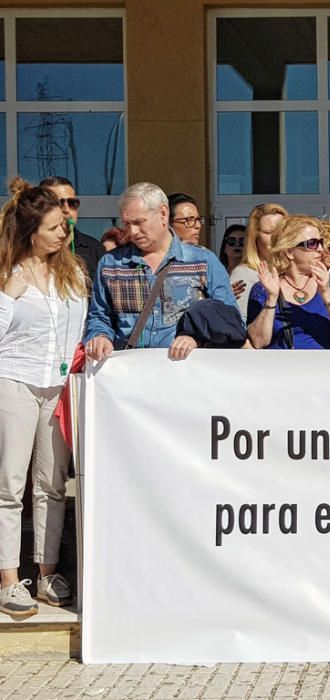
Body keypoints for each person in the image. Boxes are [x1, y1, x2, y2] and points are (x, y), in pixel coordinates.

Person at [0, 178, 88, 618]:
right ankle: (9, 578)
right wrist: (6, 298)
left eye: (65, 226)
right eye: (54, 226)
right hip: (14, 381)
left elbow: (80, 330)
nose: (63, 233)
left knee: (52, 484)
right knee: (11, 485)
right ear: (31, 230)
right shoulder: (8, 274)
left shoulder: (71, 272)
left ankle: (47, 572)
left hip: (57, 387)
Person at [84, 182, 239, 361]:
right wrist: (101, 337)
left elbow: (230, 321)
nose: (133, 231)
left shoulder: (203, 261)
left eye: (139, 222)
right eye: (127, 224)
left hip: (185, 372)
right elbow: (99, 316)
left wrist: (196, 338)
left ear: (163, 214)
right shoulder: (111, 264)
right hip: (128, 374)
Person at [247, 215, 330, 350]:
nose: (321, 249)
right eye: (312, 243)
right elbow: (258, 341)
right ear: (289, 252)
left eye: (321, 242)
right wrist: (272, 298)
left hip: (324, 367)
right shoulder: (263, 288)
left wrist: (326, 292)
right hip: (280, 368)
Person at [230, 203, 287, 323]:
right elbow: (240, 325)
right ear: (255, 236)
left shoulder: (295, 271)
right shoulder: (244, 275)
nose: (277, 237)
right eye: (269, 232)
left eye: (281, 231)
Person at [38, 176, 103, 278]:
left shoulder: (93, 248)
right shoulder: (32, 249)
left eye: (72, 203)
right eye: (58, 203)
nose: (66, 209)